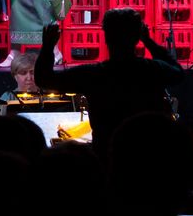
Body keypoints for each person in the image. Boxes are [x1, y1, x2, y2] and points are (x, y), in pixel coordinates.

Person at [34, 9, 184, 157]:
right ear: (137, 37)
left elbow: (44, 79)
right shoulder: (153, 70)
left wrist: (48, 46)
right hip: (148, 154)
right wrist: (148, 41)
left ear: (106, 38)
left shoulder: (94, 75)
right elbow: (178, 73)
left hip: (106, 155)